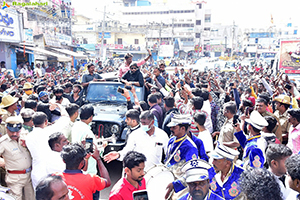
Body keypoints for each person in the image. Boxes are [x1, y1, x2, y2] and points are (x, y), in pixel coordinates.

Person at [104, 111, 169, 171]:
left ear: (152, 122)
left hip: (154, 173)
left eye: (144, 123)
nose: (143, 125)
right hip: (138, 173)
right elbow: (127, 150)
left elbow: (168, 153)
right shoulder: (135, 134)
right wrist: (118, 154)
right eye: (141, 122)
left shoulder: (162, 135)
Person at [0, 116, 34, 200]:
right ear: (6, 128)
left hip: (29, 175)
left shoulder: (26, 137)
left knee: (31, 198)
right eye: (11, 131)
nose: (14, 134)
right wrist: (3, 163)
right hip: (14, 178)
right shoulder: (3, 142)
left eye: (17, 131)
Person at [71, 105, 99, 199]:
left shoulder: (76, 125)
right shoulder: (87, 132)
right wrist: (101, 148)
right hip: (88, 171)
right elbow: (90, 151)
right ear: (91, 117)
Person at [26, 112, 52, 188]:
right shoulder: (49, 134)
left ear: (32, 122)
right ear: (46, 121)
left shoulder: (29, 136)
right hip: (49, 170)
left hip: (36, 171)